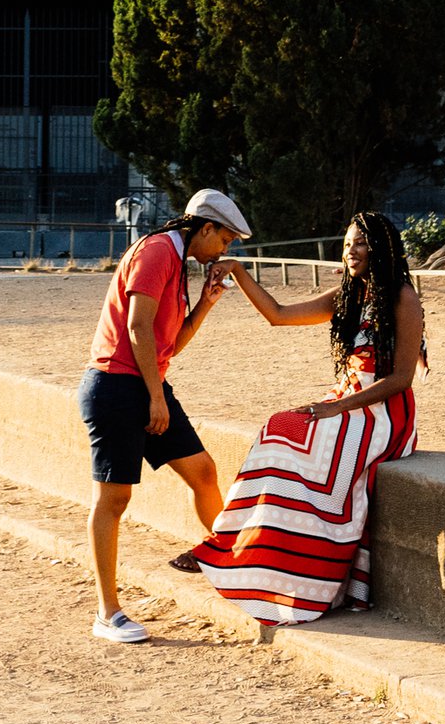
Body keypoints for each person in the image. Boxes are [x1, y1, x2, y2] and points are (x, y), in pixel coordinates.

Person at [179, 210, 423, 628]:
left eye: (361, 244)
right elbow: (278, 313)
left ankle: (306, 575)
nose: (351, 251)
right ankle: (238, 549)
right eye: (347, 244)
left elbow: (401, 378)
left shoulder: (403, 298)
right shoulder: (347, 294)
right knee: (279, 428)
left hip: (385, 413)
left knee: (314, 446)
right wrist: (238, 271)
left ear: (381, 249)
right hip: (346, 401)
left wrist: (336, 408)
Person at [78, 186, 251, 644]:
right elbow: (136, 327)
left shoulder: (177, 262)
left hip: (145, 383)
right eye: (224, 240)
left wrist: (206, 303)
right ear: (206, 228)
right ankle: (107, 613)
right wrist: (155, 398)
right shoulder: (157, 252)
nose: (223, 250)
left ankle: (232, 568)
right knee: (113, 500)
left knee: (203, 471)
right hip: (116, 386)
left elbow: (169, 345)